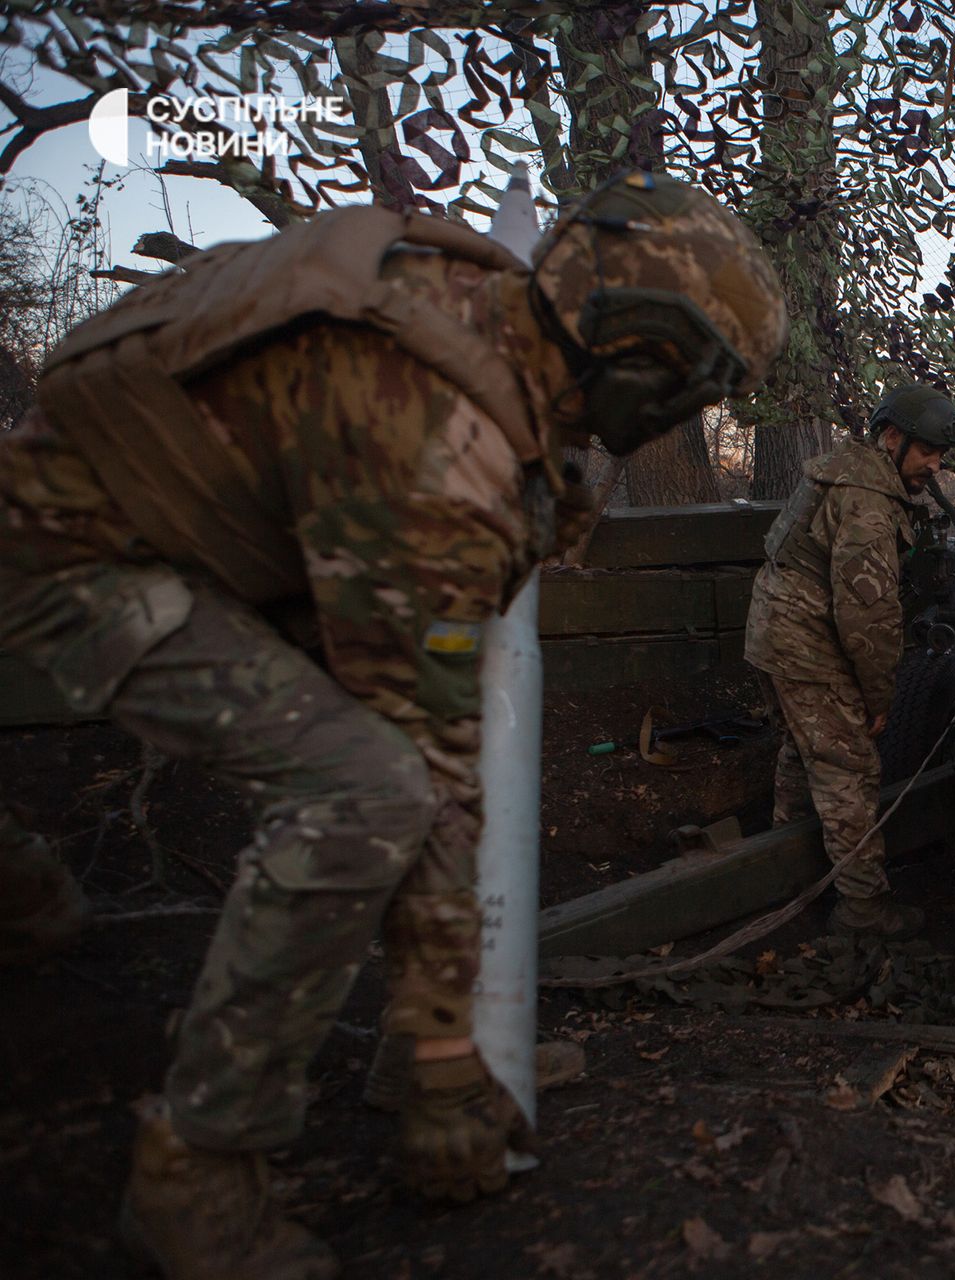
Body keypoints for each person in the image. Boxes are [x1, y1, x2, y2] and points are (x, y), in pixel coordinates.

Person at [0, 169, 787, 1278]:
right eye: (694, 381)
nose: (686, 410)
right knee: (363, 789)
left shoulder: (488, 329)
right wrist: (444, 1059)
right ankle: (196, 1173)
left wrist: (441, 1046)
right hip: (76, 551)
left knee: (397, 772)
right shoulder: (431, 442)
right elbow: (424, 760)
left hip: (201, 529)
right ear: (639, 345)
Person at [745, 383, 955, 937]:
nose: (935, 465)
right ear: (893, 437)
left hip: (776, 633)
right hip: (805, 643)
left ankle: (781, 869)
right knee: (849, 770)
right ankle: (863, 911)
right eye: (928, 452)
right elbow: (869, 619)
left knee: (804, 748)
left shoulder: (846, 469)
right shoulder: (866, 499)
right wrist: (879, 697)